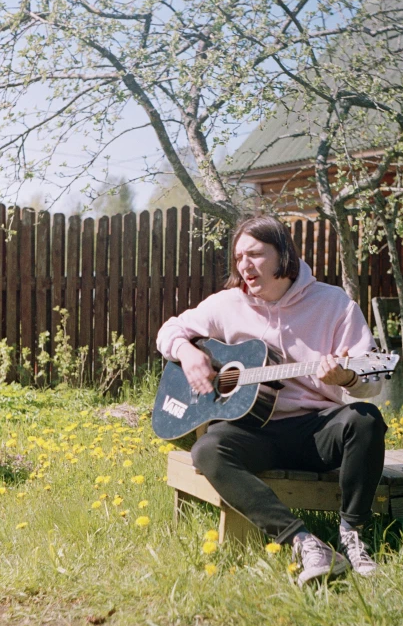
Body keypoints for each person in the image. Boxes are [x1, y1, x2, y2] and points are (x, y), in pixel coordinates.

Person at [156, 215, 386, 585]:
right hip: (253, 433)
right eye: (238, 257)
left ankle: (353, 535)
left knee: (365, 419)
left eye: (255, 254)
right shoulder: (226, 304)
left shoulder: (334, 304)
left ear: (283, 254)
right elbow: (169, 330)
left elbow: (372, 383)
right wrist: (188, 352)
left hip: (316, 430)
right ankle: (303, 541)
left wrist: (348, 377)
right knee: (208, 450)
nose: (244, 266)